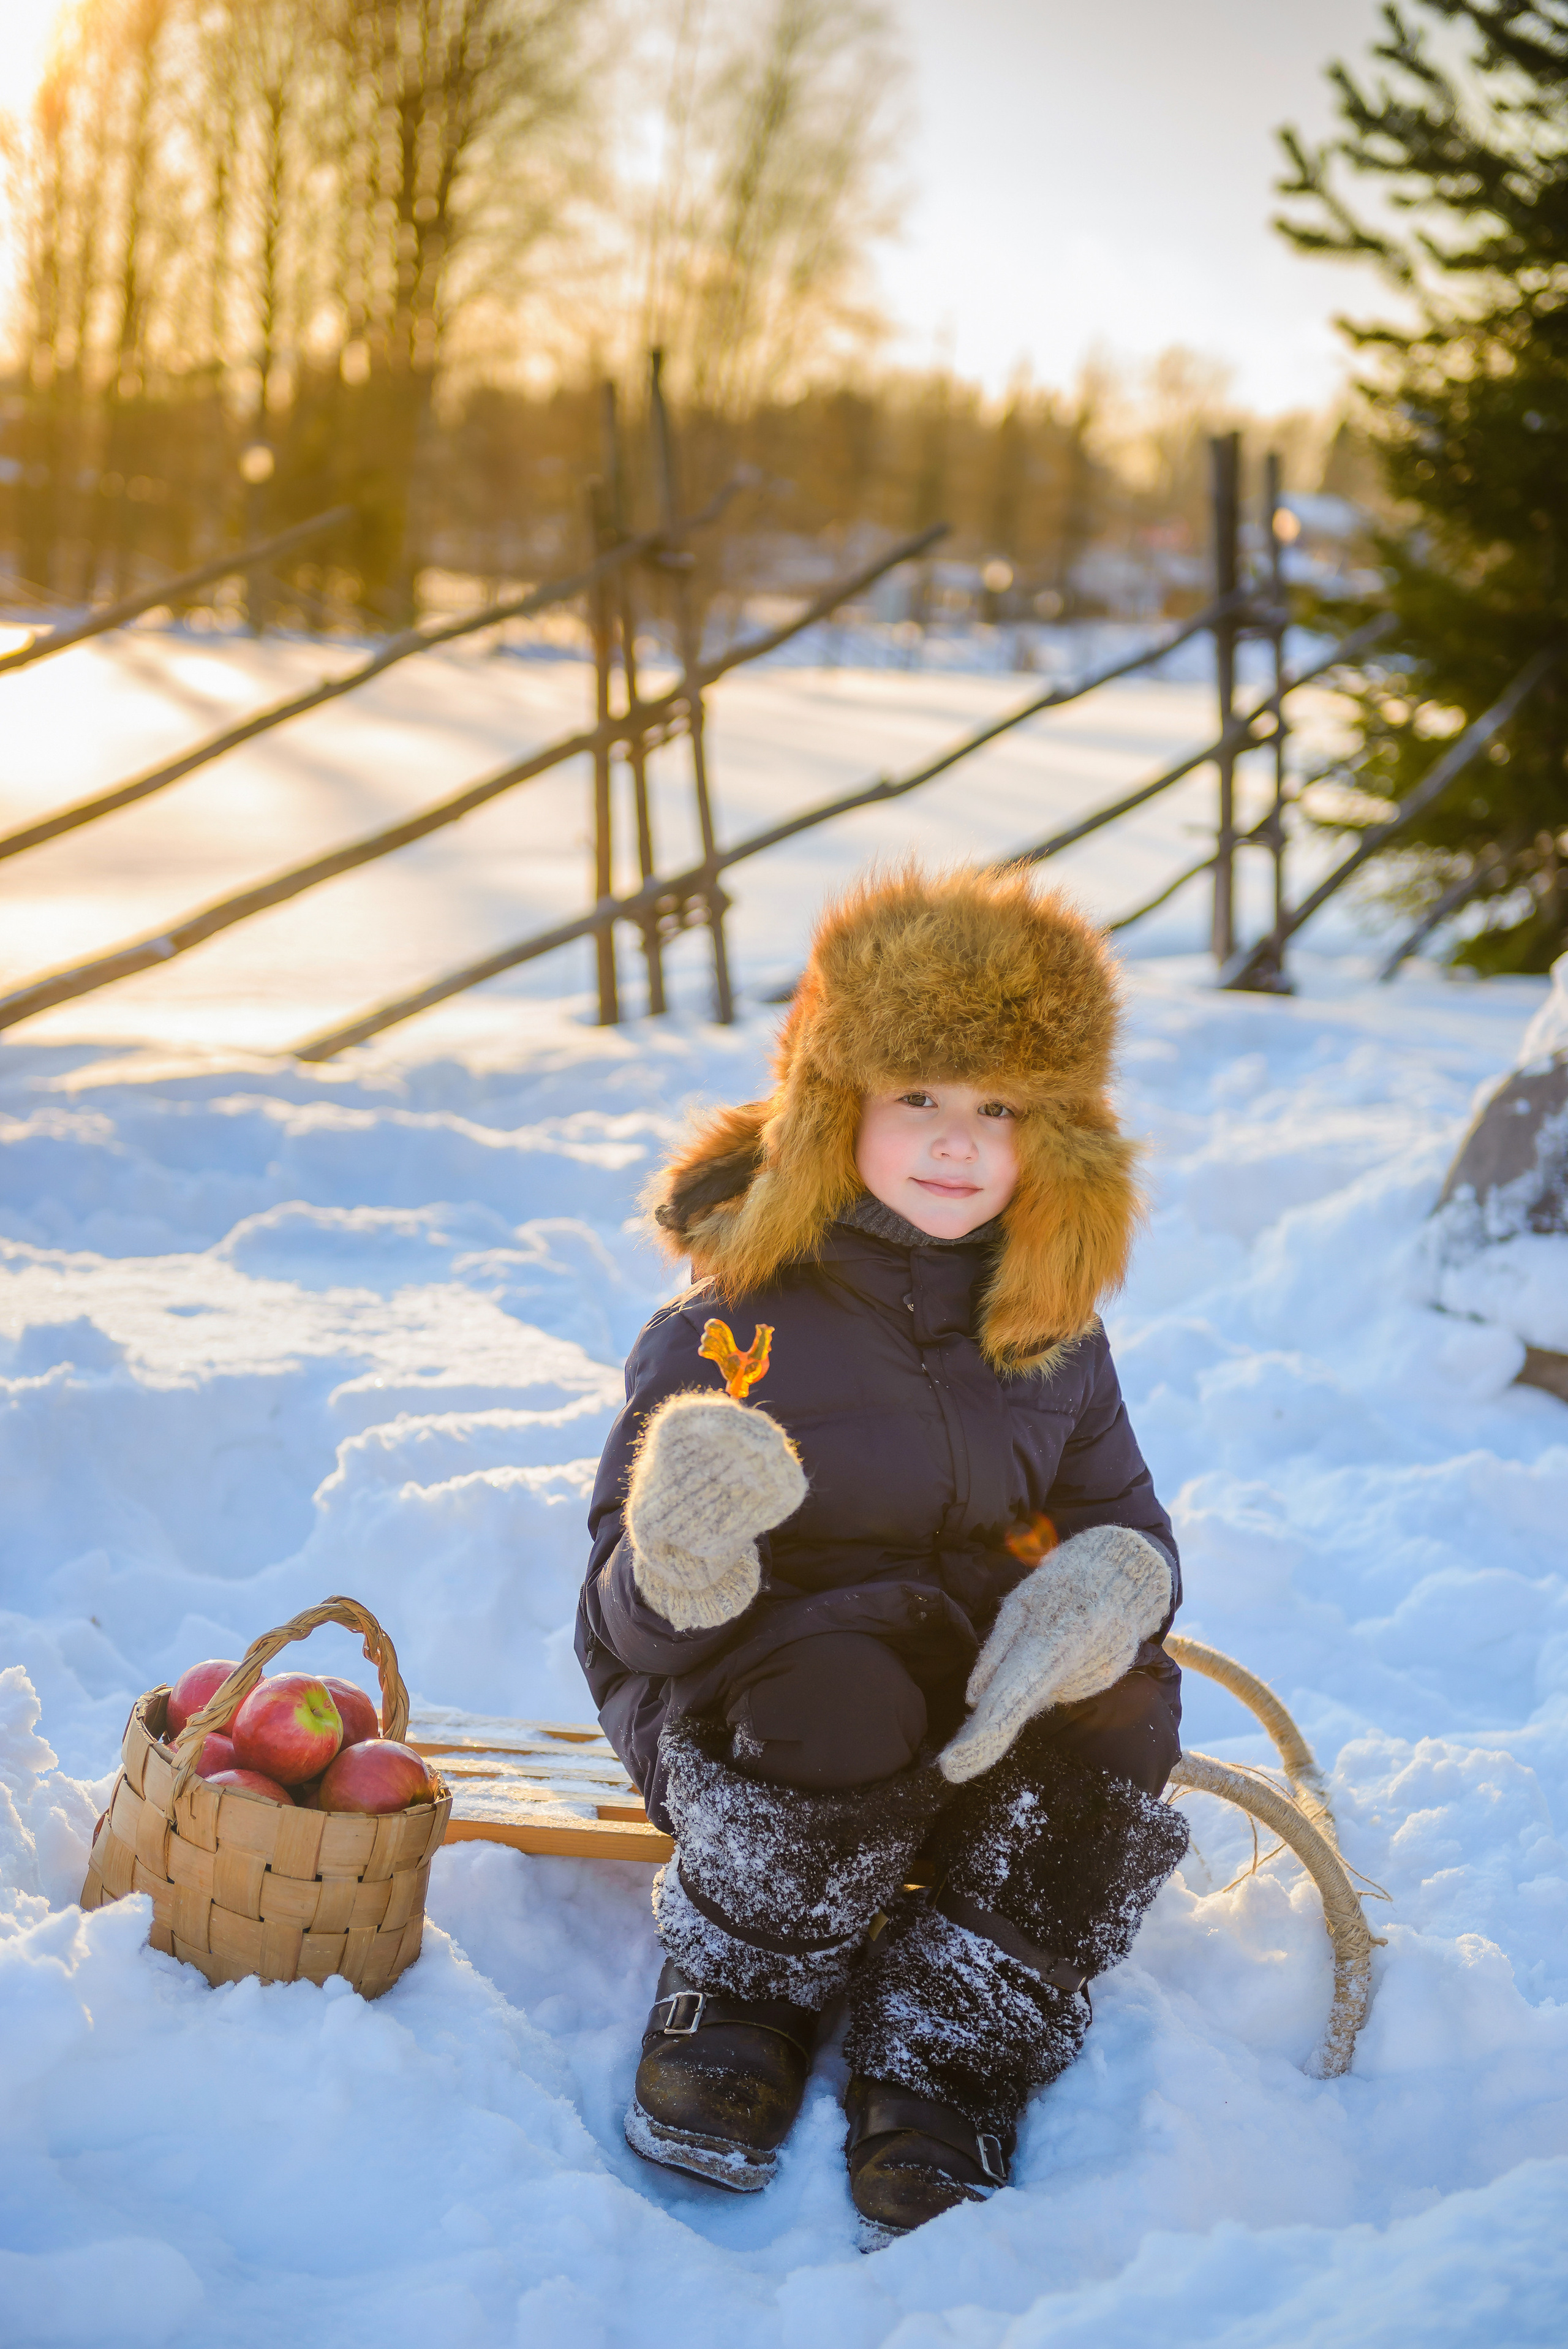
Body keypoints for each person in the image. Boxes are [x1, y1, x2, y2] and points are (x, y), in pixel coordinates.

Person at [575, 863, 1188, 2239]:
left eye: (998, 1111)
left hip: (966, 1707)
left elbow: (1119, 1522)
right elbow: (618, 1622)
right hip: (759, 1710)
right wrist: (681, 1562)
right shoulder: (730, 1325)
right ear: (835, 1102)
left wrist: (1105, 1588)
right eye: (918, 1097)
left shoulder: (1052, 1339)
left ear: (1058, 1139)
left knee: (1129, 1707)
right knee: (839, 1687)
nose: (956, 1143)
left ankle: (954, 2033)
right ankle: (745, 1985)